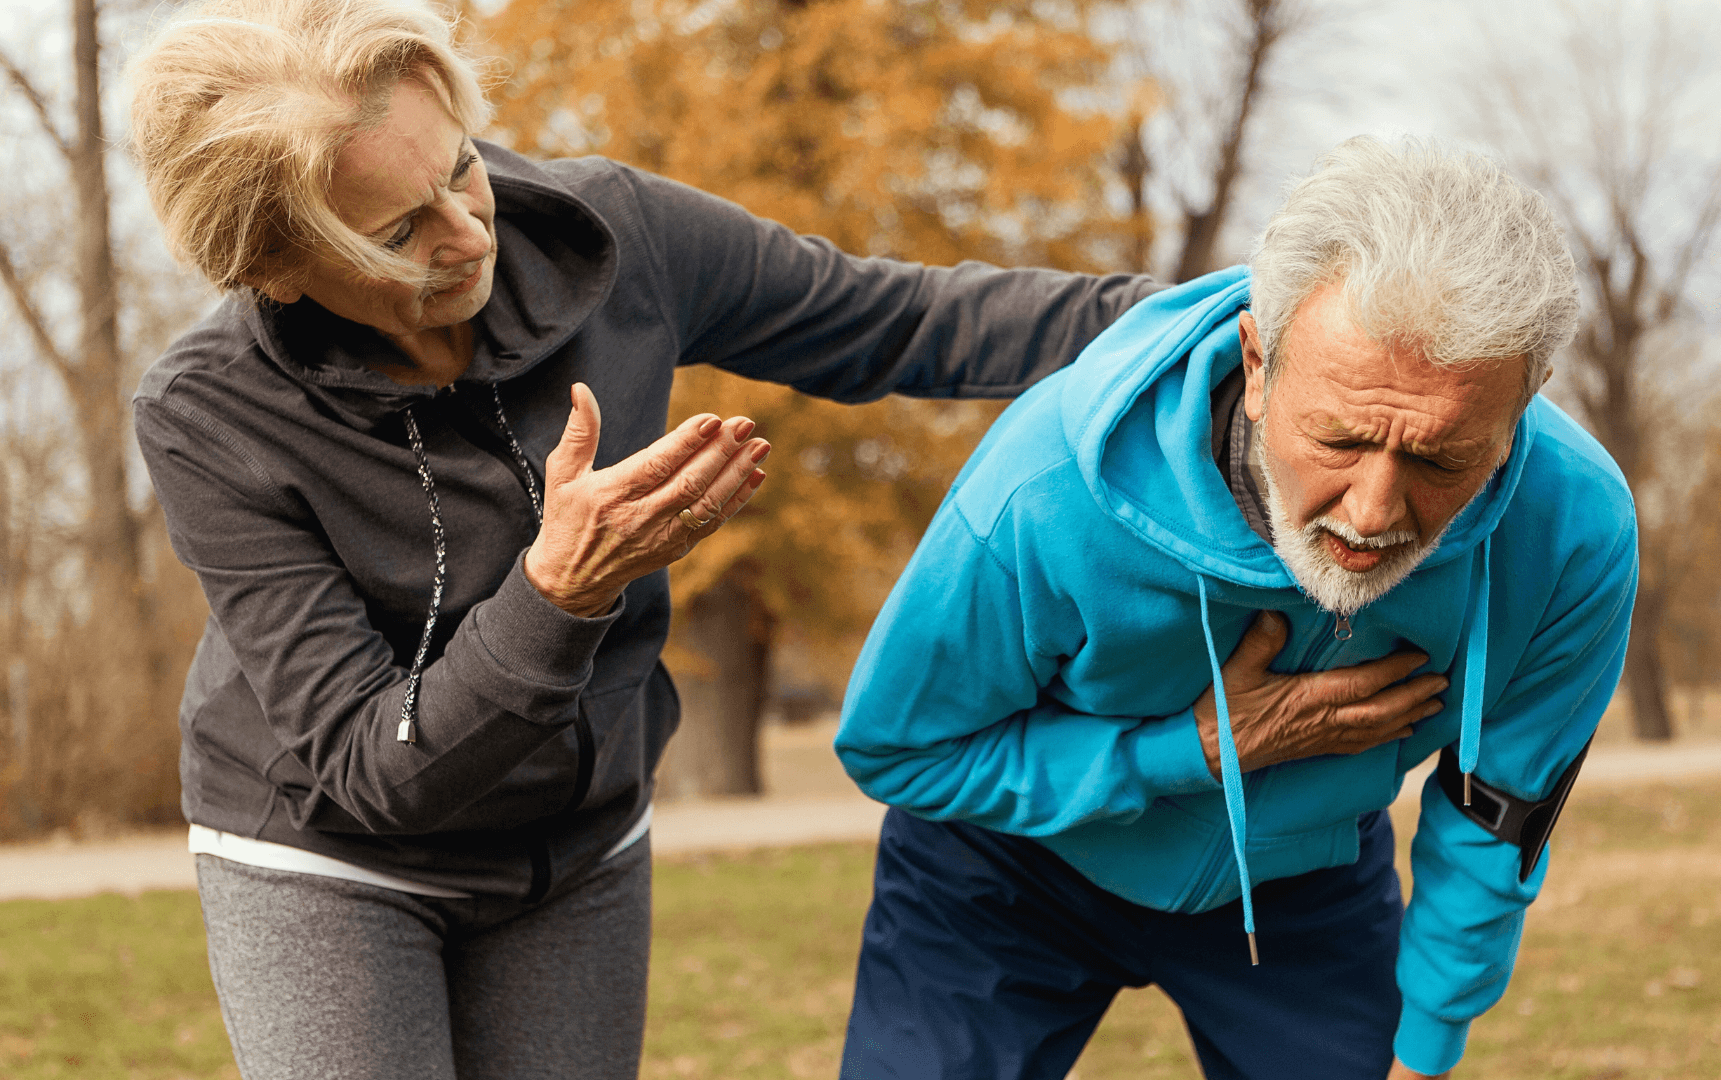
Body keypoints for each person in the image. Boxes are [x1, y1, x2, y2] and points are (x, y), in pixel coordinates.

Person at [123, 1, 1160, 1077]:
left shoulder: (612, 234)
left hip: (578, 847)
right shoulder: (209, 415)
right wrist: (556, 593)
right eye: (396, 233)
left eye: (461, 168)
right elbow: (368, 765)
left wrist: (1216, 317)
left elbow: (903, 320)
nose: (469, 233)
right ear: (277, 267)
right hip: (329, 856)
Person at [833, 137, 1637, 1080]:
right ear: (1258, 364)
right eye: (1339, 439)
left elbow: (1498, 803)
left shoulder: (1575, 528)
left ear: (1524, 405)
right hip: (1006, 869)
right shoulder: (1044, 489)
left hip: (1305, 883)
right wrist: (1193, 751)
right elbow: (897, 747)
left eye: (1440, 459)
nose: (1373, 514)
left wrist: (1428, 1043)